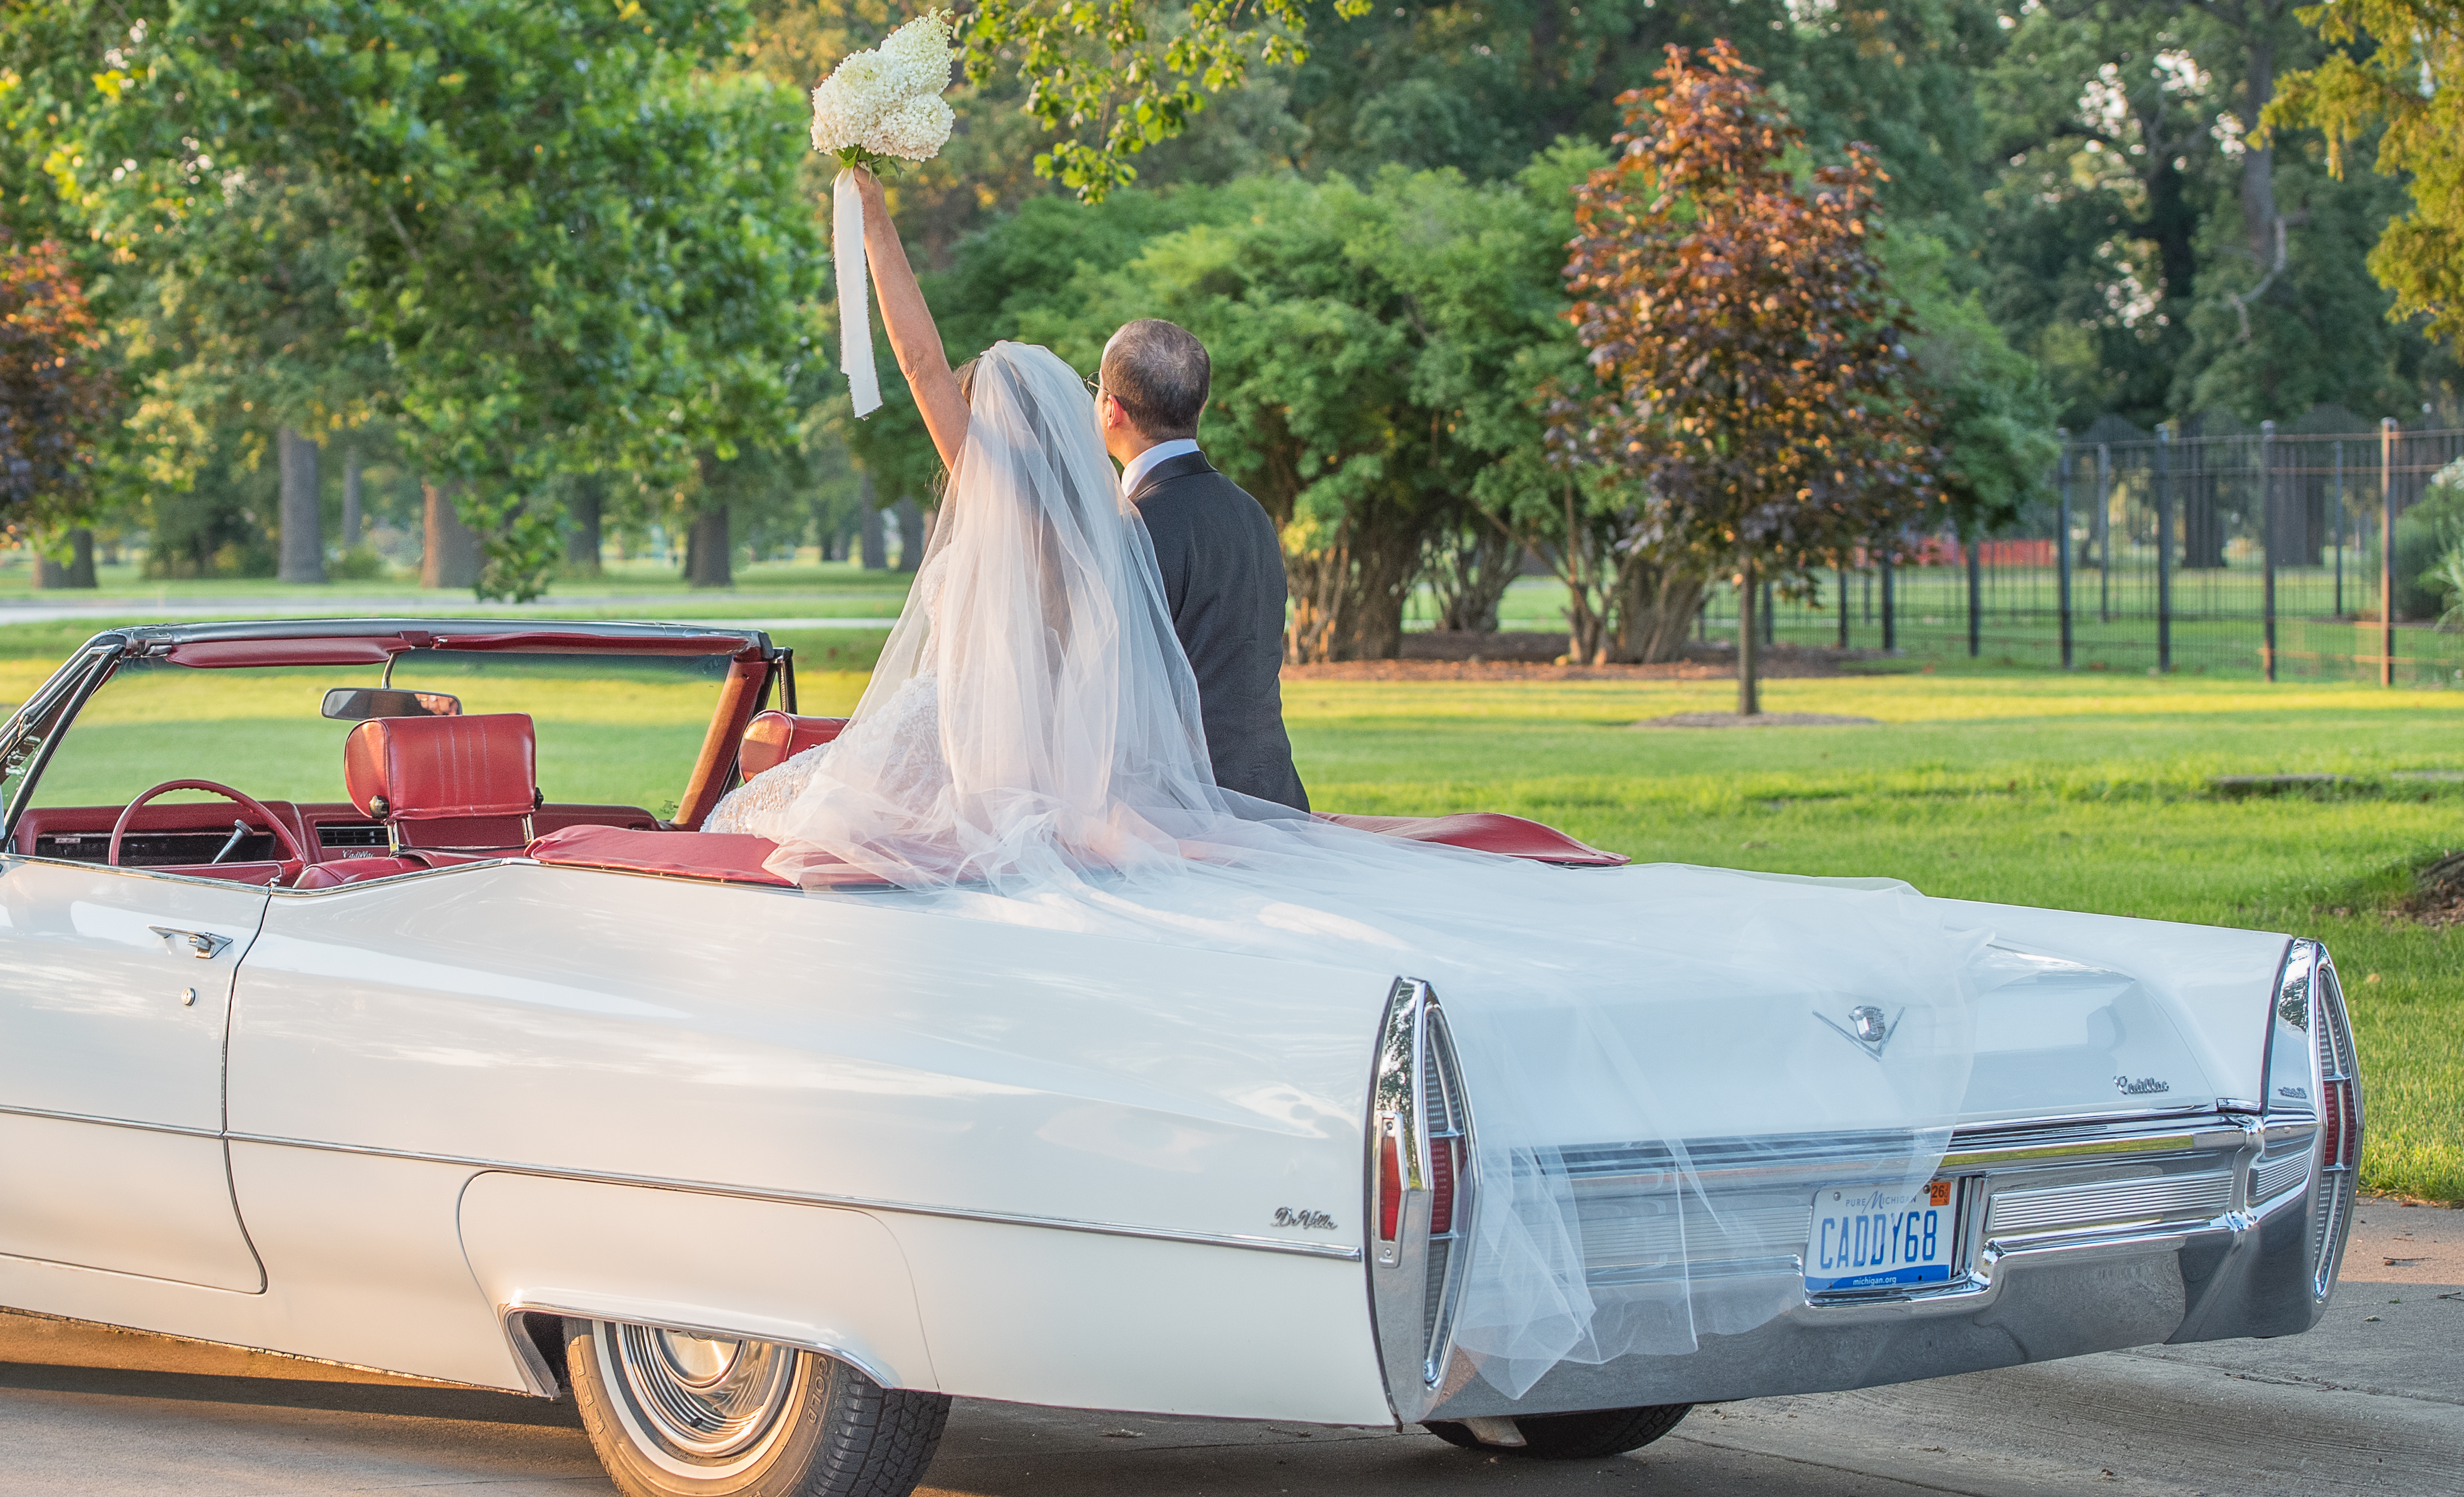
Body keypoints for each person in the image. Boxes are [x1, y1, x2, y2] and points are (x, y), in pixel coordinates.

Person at [699, 165, 2002, 1407]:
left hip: (1030, 822)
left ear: (994, 444)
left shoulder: (1027, 527)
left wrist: (870, 219)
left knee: (762, 845)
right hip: (1106, 811)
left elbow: (920, 365)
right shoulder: (1105, 540)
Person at [1091, 319, 1308, 809]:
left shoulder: (1133, 527)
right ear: (1201, 406)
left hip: (1183, 813)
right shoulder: (1250, 510)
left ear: (1112, 409)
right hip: (1275, 795)